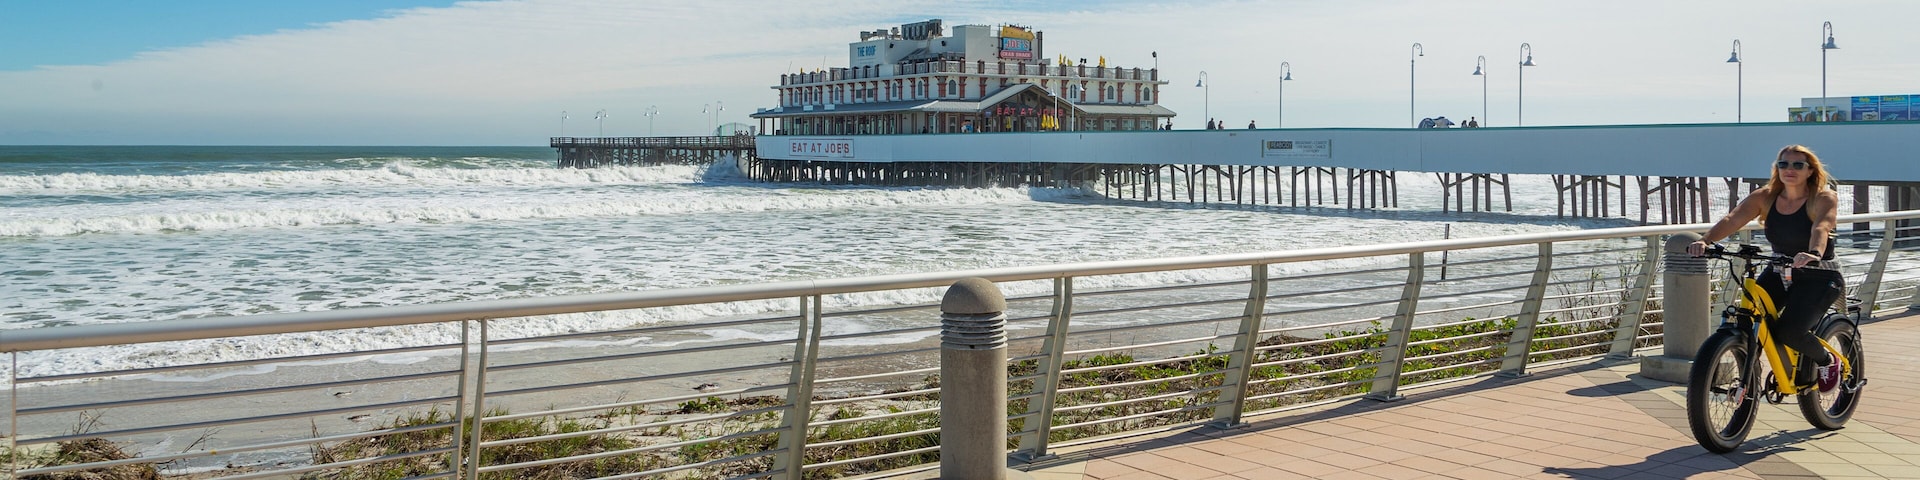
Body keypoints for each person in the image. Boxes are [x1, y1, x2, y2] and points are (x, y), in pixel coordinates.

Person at [1686, 144, 1844, 392]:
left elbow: (1821, 227)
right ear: (1777, 168)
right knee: (1747, 322)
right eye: (1783, 164)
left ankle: (1826, 360)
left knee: (1790, 331)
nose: (1789, 169)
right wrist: (1705, 241)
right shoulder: (1765, 197)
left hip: (1818, 273)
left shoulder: (1823, 198)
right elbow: (1733, 219)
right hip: (1781, 269)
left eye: (1797, 165)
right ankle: (1748, 376)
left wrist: (1813, 253)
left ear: (1810, 171)